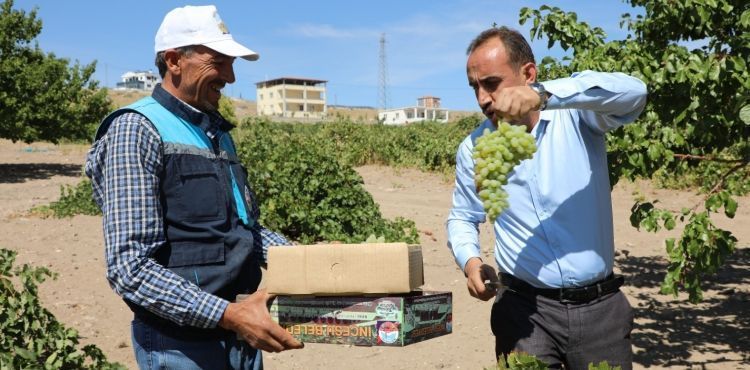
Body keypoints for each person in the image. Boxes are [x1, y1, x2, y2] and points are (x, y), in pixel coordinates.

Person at [85, 5, 303, 369]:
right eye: (219, 61)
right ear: (174, 61)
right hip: (181, 347)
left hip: (241, 338)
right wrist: (227, 314)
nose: (231, 77)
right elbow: (129, 266)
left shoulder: (216, 135)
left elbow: (245, 232)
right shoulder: (136, 130)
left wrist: (310, 261)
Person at [446, 26, 647, 369]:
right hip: (524, 312)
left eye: (491, 83)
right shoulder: (474, 149)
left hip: (599, 310)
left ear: (528, 74)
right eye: (475, 87)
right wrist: (471, 261)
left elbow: (635, 93)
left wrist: (544, 94)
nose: (482, 98)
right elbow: (463, 216)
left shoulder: (578, 116)